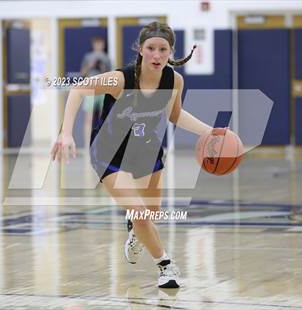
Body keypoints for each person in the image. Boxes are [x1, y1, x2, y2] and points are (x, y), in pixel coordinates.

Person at [51, 21, 213, 288]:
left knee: (150, 213)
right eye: (151, 48)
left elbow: (175, 115)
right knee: (139, 211)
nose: (157, 55)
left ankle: (135, 229)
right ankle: (166, 265)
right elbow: (78, 89)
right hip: (108, 152)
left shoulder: (175, 80)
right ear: (140, 49)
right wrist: (65, 133)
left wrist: (210, 132)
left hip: (146, 149)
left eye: (163, 49)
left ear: (171, 51)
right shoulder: (121, 78)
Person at [80, 36, 111, 149]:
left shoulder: (106, 58)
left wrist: (102, 68)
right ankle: (87, 144)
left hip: (102, 89)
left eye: (100, 44)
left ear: (103, 45)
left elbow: (110, 76)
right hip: (90, 88)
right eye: (96, 43)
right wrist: (90, 66)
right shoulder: (88, 57)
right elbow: (82, 74)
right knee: (88, 117)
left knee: (103, 118)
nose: (98, 46)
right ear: (93, 44)